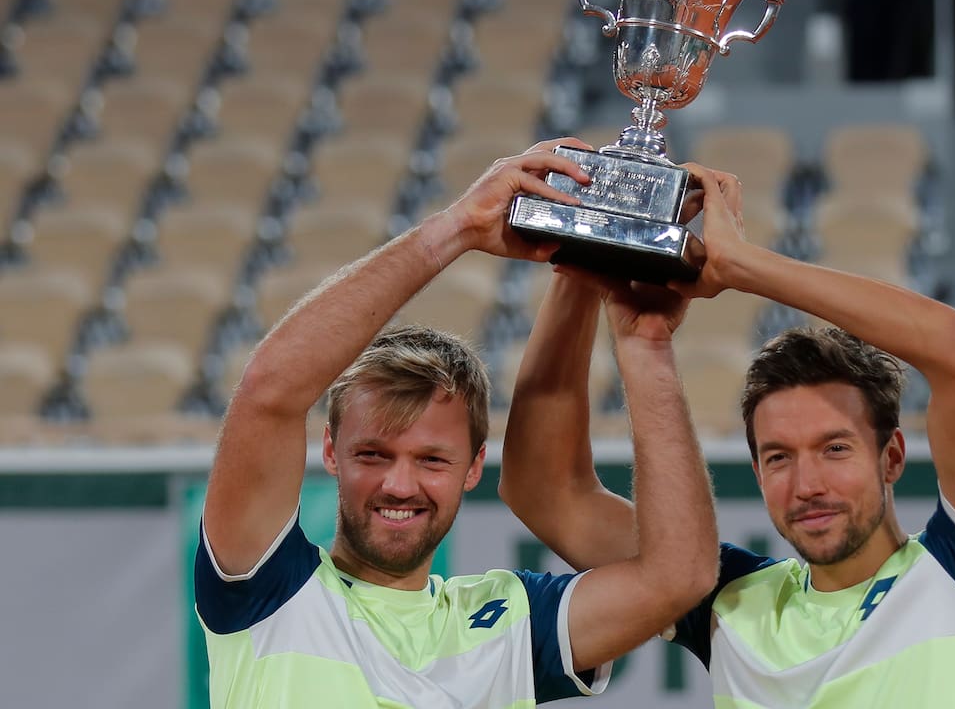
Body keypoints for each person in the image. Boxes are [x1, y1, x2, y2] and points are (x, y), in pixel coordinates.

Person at [194, 139, 718, 707]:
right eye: (373, 454)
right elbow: (268, 391)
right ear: (329, 450)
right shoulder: (266, 588)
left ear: (473, 467)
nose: (400, 485)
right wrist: (458, 229)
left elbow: (678, 578)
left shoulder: (511, 619)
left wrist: (639, 336)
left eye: (431, 460)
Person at [501, 163, 955, 707]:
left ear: (892, 457)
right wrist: (585, 254)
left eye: (835, 449)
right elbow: (546, 493)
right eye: (780, 457)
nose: (808, 485)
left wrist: (742, 264)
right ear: (759, 473)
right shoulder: (731, 598)